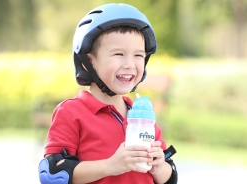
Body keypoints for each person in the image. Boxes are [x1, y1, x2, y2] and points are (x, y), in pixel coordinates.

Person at [38, 3, 177, 184]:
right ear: (89, 61)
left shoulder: (142, 115)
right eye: (119, 54)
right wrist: (111, 166)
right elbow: (52, 174)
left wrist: (158, 167)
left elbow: (169, 176)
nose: (130, 64)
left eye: (138, 55)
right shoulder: (71, 112)